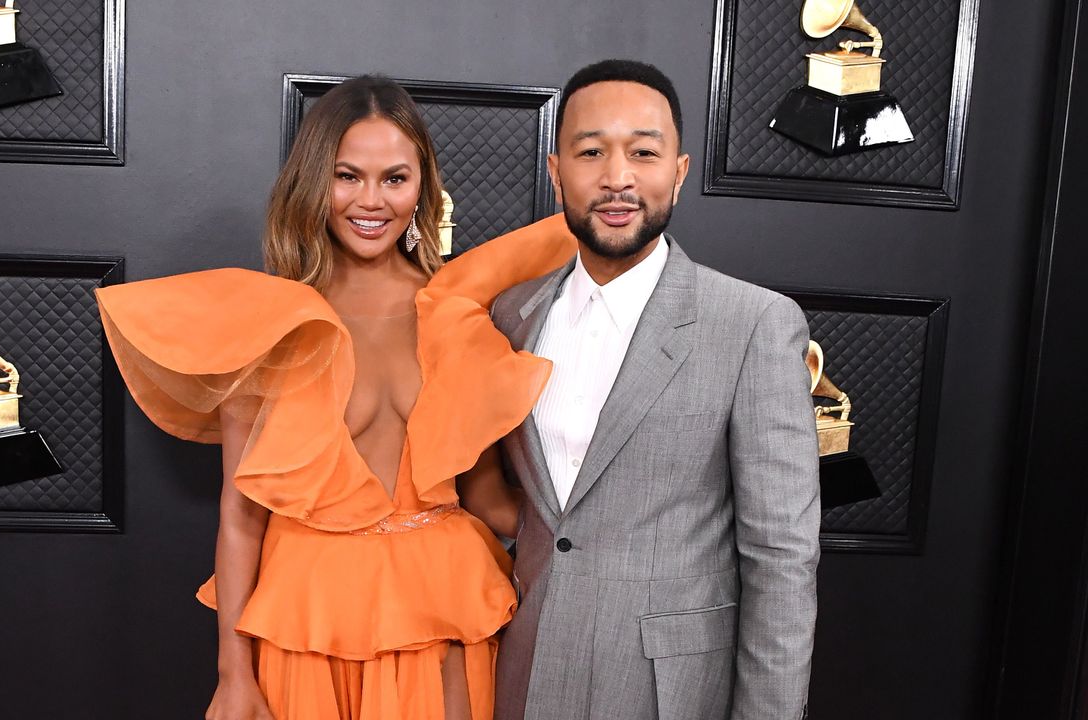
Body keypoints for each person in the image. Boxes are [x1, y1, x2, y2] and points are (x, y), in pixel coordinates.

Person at [94, 76, 576, 720]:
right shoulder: (273, 323)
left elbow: (488, 499)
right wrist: (233, 674)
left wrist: (605, 542)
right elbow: (241, 521)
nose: (370, 201)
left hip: (443, 618)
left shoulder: (460, 315)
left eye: (394, 179)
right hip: (308, 629)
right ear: (314, 181)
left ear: (423, 189)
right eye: (347, 176)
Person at [489, 59, 820, 719]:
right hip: (526, 670)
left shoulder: (752, 324)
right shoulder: (509, 317)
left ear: (679, 170)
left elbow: (782, 558)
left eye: (643, 151)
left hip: (669, 692)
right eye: (591, 152)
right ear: (557, 173)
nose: (617, 177)